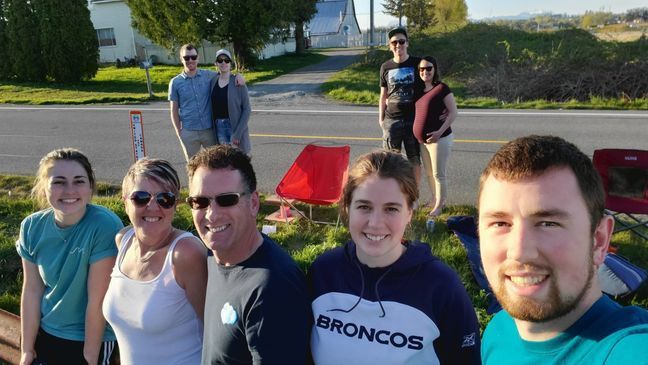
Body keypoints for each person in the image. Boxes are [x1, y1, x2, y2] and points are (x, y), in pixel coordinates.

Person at [478, 135, 648, 364]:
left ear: (598, 240)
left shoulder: (631, 350)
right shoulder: (498, 331)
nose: (519, 252)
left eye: (549, 224)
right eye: (500, 223)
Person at [309, 150, 481, 364]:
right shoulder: (324, 271)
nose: (376, 223)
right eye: (364, 206)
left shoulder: (441, 286)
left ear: (409, 213)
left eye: (391, 209)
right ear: (347, 207)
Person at [186, 145, 311, 364]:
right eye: (200, 202)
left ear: (253, 204)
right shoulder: (213, 256)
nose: (212, 214)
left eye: (227, 200)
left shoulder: (272, 289)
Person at [16, 148, 123, 365]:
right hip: (47, 332)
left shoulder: (104, 225)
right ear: (44, 187)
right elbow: (32, 290)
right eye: (59, 182)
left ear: (91, 186)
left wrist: (90, 357)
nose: (69, 190)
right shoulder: (31, 227)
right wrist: (27, 349)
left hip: (91, 339)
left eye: (79, 181)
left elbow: (97, 300)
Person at [102, 158, 207, 365]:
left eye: (164, 198)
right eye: (140, 197)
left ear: (175, 205)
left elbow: (215, 330)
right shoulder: (123, 241)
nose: (152, 206)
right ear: (125, 202)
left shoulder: (185, 253)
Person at [168, 44, 244, 162]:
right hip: (189, 133)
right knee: (193, 167)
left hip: (209, 131)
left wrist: (238, 75)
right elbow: (173, 110)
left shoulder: (209, 76)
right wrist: (179, 133)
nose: (190, 60)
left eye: (193, 57)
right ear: (181, 59)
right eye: (186, 58)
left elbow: (225, 73)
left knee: (215, 164)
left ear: (198, 58)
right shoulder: (175, 82)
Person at [412, 56, 458, 226]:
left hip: (440, 139)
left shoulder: (442, 88)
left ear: (435, 69)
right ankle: (433, 199)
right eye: (422, 69)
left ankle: (440, 205)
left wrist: (439, 131)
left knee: (439, 174)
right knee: (430, 173)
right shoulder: (418, 90)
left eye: (429, 68)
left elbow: (453, 112)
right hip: (422, 141)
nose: (425, 72)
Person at [379, 28, 424, 184]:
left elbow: (430, 86)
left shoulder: (417, 63)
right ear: (390, 46)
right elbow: (383, 94)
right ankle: (393, 194)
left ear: (407, 43)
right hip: (392, 120)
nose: (398, 45)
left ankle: (414, 196)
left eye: (401, 41)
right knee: (391, 160)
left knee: (414, 159)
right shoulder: (385, 67)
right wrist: (381, 119)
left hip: (413, 119)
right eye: (394, 42)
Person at [210, 49, 252, 154]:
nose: (223, 63)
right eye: (220, 60)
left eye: (226, 60)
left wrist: (238, 133)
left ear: (230, 63)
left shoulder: (238, 82)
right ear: (216, 63)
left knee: (239, 162)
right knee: (226, 160)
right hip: (219, 127)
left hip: (234, 127)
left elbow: (247, 109)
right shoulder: (212, 81)